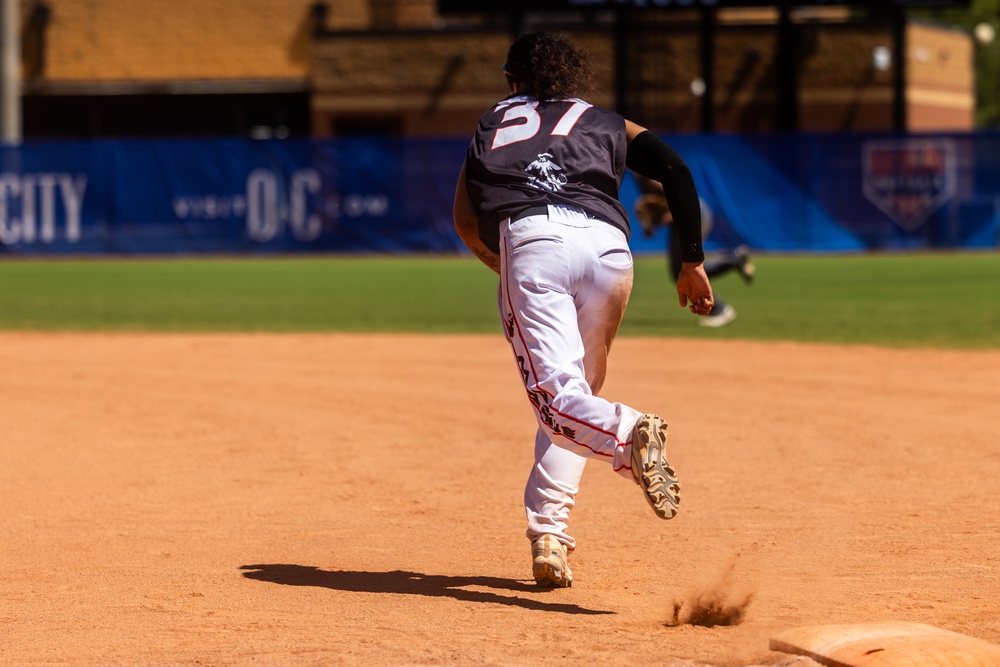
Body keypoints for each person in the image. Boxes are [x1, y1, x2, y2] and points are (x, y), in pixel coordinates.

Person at [453, 32, 714, 588]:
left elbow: (464, 218)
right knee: (574, 398)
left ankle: (629, 431)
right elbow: (677, 171)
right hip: (608, 250)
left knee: (557, 401)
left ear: (512, 81)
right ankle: (549, 533)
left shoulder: (495, 120)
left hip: (533, 239)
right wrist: (691, 261)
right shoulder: (606, 120)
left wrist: (503, 263)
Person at [633, 175, 755, 327]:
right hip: (691, 215)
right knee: (682, 270)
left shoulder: (648, 177)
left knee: (683, 269)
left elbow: (680, 197)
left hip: (691, 214)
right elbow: (662, 208)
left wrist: (663, 218)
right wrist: (651, 225)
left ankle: (719, 308)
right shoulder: (642, 179)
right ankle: (733, 261)